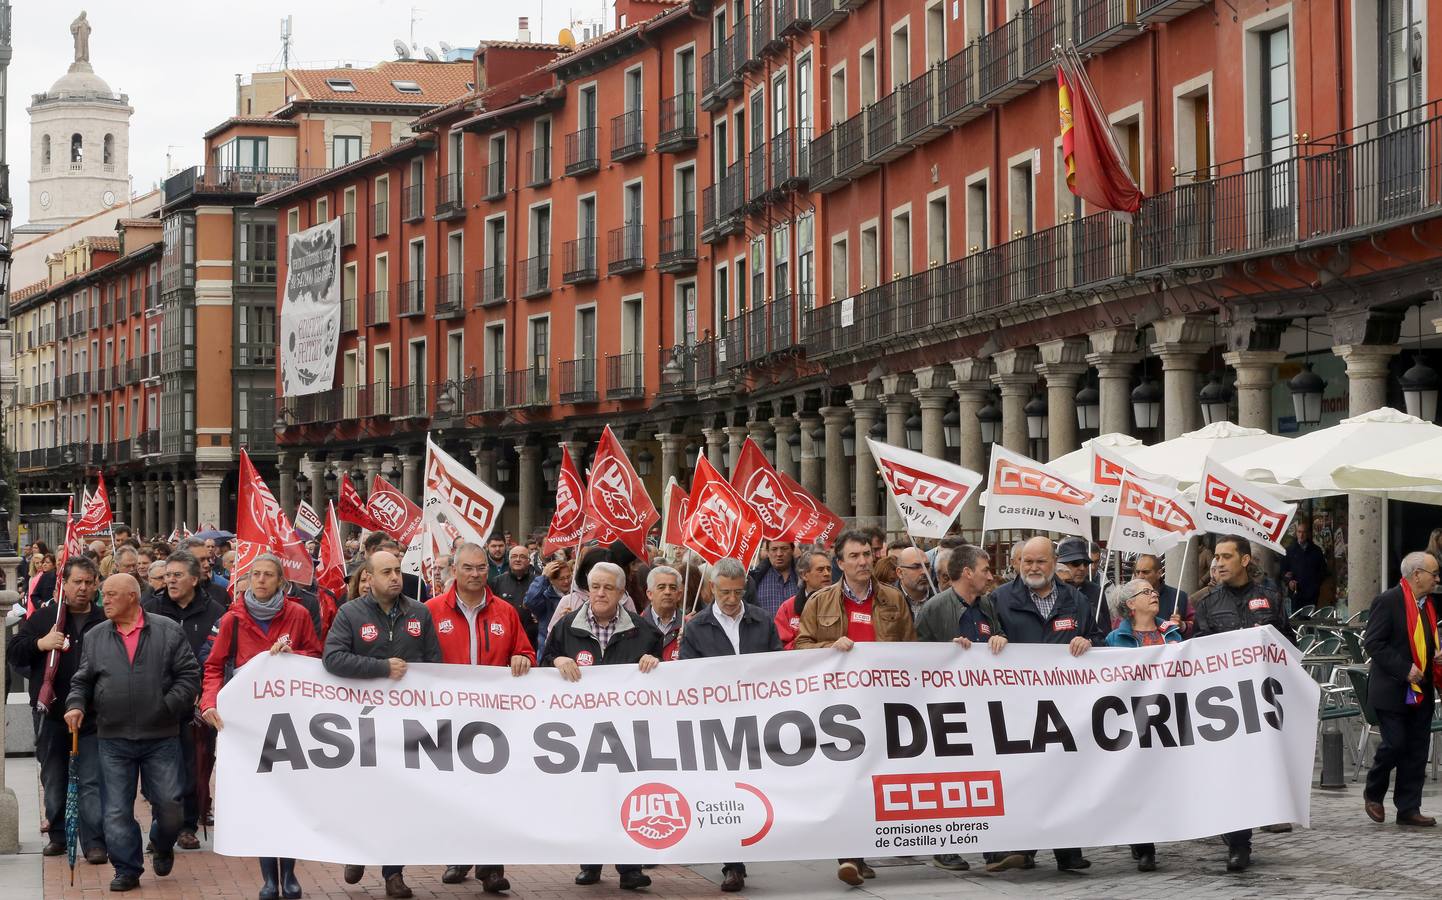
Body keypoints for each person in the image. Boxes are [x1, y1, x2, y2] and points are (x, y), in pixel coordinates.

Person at [64, 574, 201, 893]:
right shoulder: (96, 636)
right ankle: (126, 868)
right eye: (104, 594)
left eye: (112, 594)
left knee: (170, 806)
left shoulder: (167, 630)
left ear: (132, 597)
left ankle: (162, 843)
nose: (105, 600)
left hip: (161, 736)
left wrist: (166, 706)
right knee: (115, 811)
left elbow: (189, 675)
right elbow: (82, 680)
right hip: (112, 737)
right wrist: (75, 704)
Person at [795, 529, 914, 886]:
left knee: (875, 780)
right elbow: (800, 647)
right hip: (839, 708)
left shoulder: (894, 598)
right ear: (840, 563)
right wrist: (829, 647)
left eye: (867, 554)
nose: (863, 561)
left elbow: (911, 648)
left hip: (882, 704)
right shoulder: (820, 602)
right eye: (855, 556)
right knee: (845, 780)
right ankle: (850, 856)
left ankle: (862, 850)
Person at [199, 554, 321, 900]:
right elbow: (213, 666)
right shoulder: (232, 619)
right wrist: (208, 703)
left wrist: (294, 656)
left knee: (292, 796)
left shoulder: (298, 614)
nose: (261, 580)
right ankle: (269, 877)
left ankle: (290, 873)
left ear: (281, 581)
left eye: (268, 575)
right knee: (263, 798)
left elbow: (316, 656)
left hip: (290, 719)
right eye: (256, 574)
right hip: (249, 723)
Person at [325, 550, 442, 899]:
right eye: (386, 572)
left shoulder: (420, 612)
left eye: (397, 571)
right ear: (370, 578)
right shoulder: (350, 613)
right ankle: (357, 852)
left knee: (399, 799)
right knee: (364, 794)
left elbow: (434, 662)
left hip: (406, 721)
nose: (394, 577)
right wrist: (381, 668)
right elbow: (332, 658)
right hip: (363, 721)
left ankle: (394, 872)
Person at [542, 561, 662, 891]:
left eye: (608, 587)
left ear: (622, 593)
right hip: (581, 732)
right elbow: (543, 663)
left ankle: (630, 867)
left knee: (627, 795)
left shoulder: (644, 632)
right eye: (595, 586)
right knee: (589, 796)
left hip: (627, 732)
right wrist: (556, 660)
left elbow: (663, 681)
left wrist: (655, 662)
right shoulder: (566, 627)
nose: (600, 593)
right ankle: (590, 863)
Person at [985, 536, 1099, 874]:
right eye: (1027, 561)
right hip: (1017, 706)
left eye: (1040, 562)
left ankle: (1068, 851)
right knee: (1023, 776)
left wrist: (1088, 641)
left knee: (1064, 777)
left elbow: (1099, 637)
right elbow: (984, 638)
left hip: (1064, 707)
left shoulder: (1076, 600)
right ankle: (1019, 849)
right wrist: (994, 637)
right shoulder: (1000, 599)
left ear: (1054, 563)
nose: (1033, 568)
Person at [427, 543, 533, 894]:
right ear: (454, 571)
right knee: (455, 792)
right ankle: (459, 856)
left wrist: (522, 657)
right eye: (468, 568)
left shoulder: (506, 612)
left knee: (493, 792)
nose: (475, 574)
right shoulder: (430, 611)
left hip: (494, 720)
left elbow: (525, 650)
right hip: (448, 718)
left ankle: (491, 868)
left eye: (481, 568)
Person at [677, 558, 781, 893]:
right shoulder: (697, 627)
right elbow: (688, 675)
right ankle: (732, 864)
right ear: (712, 589)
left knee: (758, 787)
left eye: (737, 592)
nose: (732, 599)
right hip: (717, 723)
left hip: (757, 719)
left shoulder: (761, 620)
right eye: (725, 592)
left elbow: (779, 665)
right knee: (726, 791)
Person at [1190, 534, 1292, 871]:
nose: (1218, 563)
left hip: (1261, 699)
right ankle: (1239, 842)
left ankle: (1245, 826)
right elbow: (1199, 652)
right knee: (1231, 770)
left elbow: (1288, 643)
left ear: (1245, 560)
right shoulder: (1206, 603)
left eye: (1226, 556)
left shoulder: (1271, 597)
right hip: (1224, 703)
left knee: (1256, 768)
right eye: (1216, 557)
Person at [8, 557, 108, 865]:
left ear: (96, 585)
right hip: (51, 714)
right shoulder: (45, 618)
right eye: (77, 582)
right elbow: (14, 653)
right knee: (54, 778)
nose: (83, 588)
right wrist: (41, 643)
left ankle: (93, 841)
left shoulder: (105, 620)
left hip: (93, 715)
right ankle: (58, 835)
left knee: (91, 780)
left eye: (89, 582)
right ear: (64, 584)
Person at [144, 551, 228, 849]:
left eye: (177, 575)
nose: (170, 580)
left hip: (197, 702)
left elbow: (218, 656)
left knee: (195, 765)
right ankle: (162, 826)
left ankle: (188, 825)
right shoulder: (151, 609)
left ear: (194, 579)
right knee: (160, 769)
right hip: (158, 701)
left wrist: (203, 691)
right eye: (167, 575)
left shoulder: (215, 611)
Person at [1103, 578, 1184, 872]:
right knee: (1137, 782)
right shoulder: (1115, 640)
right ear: (1130, 604)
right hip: (1132, 720)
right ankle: (1144, 845)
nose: (1154, 595)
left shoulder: (1173, 634)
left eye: (1154, 590)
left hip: (1169, 719)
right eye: (1146, 592)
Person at [1362, 551, 1439, 828]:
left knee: (1417, 749)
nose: (1437, 579)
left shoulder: (1428, 605)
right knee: (1395, 743)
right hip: (1392, 688)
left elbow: (1423, 641)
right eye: (1434, 574)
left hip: (1421, 689)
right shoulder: (1388, 601)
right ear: (1417, 575)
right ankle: (1373, 792)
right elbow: (1373, 643)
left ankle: (1408, 808)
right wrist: (1404, 668)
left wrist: (1435, 654)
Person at [775, 548, 832, 650]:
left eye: (829, 569)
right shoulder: (787, 608)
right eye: (820, 570)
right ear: (804, 575)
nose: (827, 573)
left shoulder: (842, 602)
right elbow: (781, 646)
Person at [491, 543, 542, 650]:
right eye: (514, 556)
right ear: (509, 560)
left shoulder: (538, 582)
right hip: (505, 638)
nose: (518, 559)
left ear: (529, 561)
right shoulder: (497, 582)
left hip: (532, 640)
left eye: (522, 557)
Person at [1056, 537, 1108, 634]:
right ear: (1060, 564)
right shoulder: (1048, 592)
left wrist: (1090, 640)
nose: (1082, 568)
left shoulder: (1096, 592)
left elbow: (1105, 633)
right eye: (1076, 563)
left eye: (1086, 563)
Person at [1133, 554, 1191, 636]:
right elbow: (1119, 627)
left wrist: (1182, 625)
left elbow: (1196, 627)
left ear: (1159, 573)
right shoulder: (1129, 598)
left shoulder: (1179, 597)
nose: (1140, 576)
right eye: (1137, 572)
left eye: (1145, 572)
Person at [1283, 519, 1329, 613]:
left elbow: (1323, 570)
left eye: (1304, 532)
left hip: (1311, 594)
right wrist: (1289, 581)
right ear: (1296, 533)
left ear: (1307, 534)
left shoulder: (1316, 550)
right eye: (1299, 532)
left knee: (1310, 618)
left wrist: (1315, 584)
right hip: (1296, 592)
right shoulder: (1289, 551)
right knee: (1296, 618)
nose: (1301, 535)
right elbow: (1283, 570)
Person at [745, 540, 798, 618]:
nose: (779, 554)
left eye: (784, 548)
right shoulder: (755, 579)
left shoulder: (803, 577)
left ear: (792, 550)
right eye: (774, 549)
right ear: (768, 552)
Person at [641, 565, 684, 660]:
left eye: (672, 588)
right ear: (650, 594)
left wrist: (690, 644)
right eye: (661, 587)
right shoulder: (635, 627)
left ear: (679, 595)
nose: (667, 592)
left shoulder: (689, 627)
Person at [524, 556, 572, 639]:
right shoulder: (545, 597)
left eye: (568, 577)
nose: (566, 581)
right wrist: (543, 578)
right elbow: (529, 602)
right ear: (551, 580)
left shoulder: (577, 595)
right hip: (548, 642)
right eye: (561, 579)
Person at [893, 546, 933, 618]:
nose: (924, 572)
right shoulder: (888, 600)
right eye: (916, 567)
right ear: (900, 573)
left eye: (927, 566)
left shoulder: (940, 598)